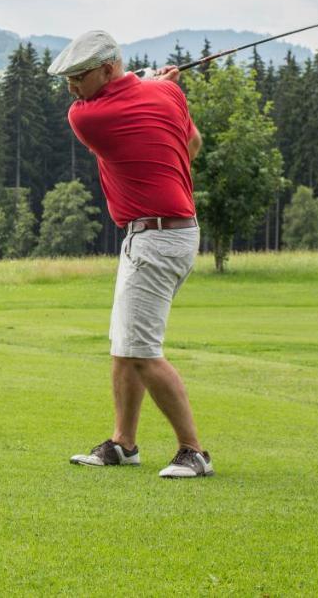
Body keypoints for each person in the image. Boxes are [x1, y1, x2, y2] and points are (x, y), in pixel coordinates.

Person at [48, 30, 212, 479]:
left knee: (141, 351)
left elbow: (105, 104)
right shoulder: (169, 94)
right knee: (124, 347)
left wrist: (147, 82)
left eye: (78, 78)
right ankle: (123, 443)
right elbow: (191, 145)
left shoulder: (88, 118)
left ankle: (193, 451)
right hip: (168, 232)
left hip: (156, 238)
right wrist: (156, 84)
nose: (71, 89)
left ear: (107, 68)